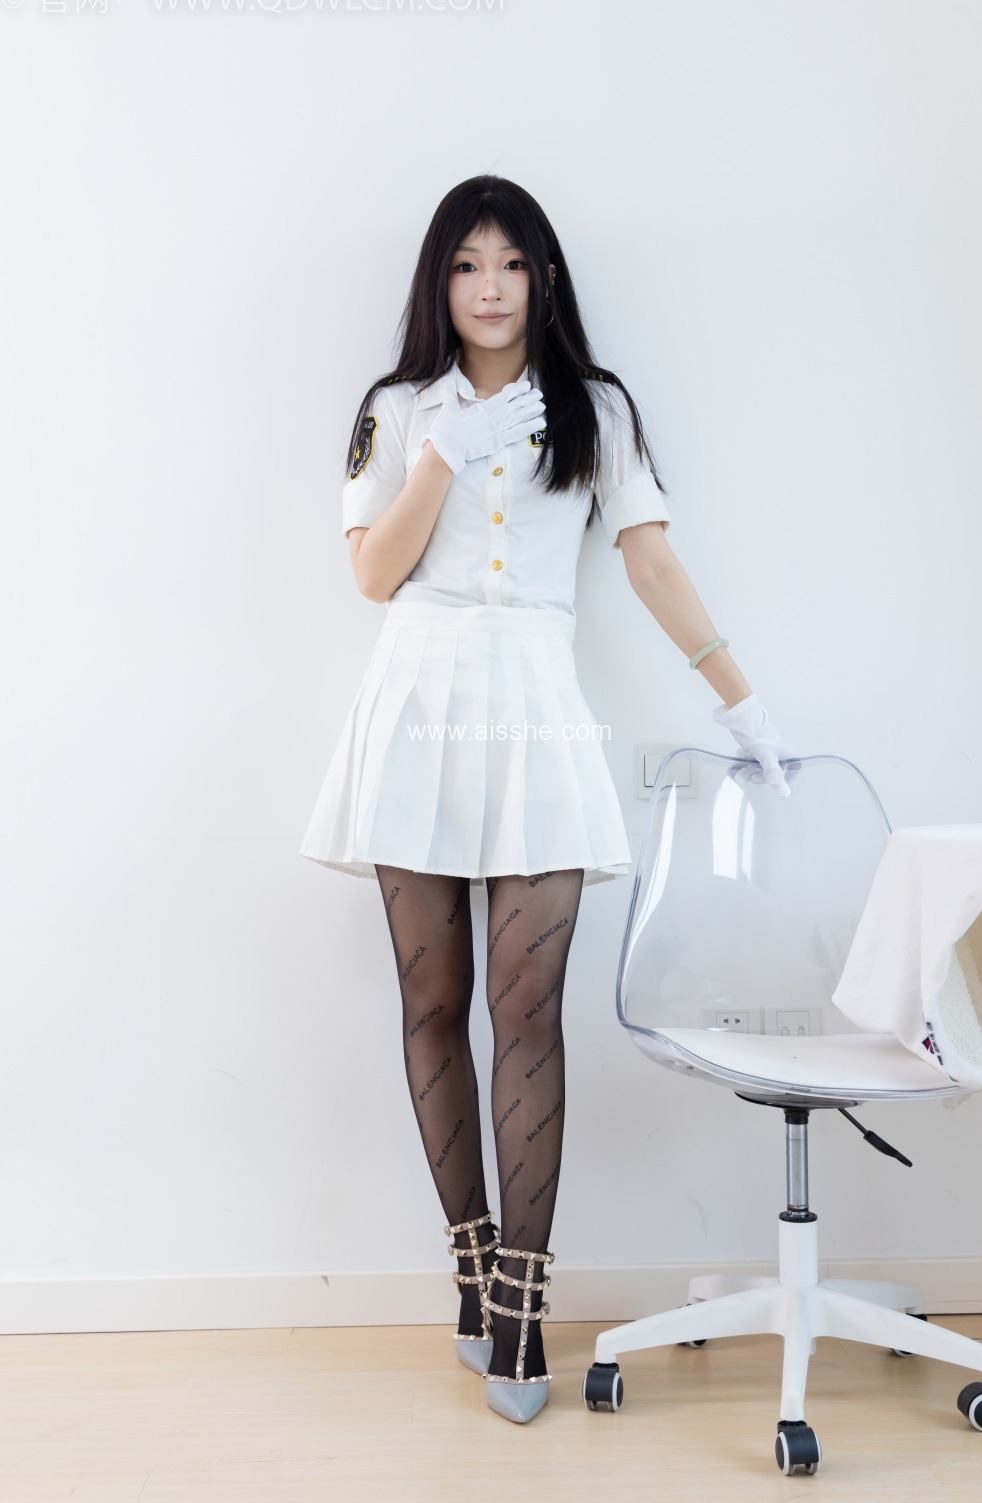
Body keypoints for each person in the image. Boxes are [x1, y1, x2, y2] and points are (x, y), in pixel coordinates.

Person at [300, 174, 797, 1424]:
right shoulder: (395, 407)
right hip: (418, 704)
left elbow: (650, 558)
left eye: (511, 263)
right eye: (467, 264)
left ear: (545, 278)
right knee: (433, 1001)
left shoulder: (597, 407)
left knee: (527, 1006)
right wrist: (442, 457)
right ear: (440, 280)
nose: (489, 287)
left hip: (533, 703)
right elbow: (371, 575)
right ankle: (471, 1266)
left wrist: (740, 701)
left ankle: (521, 1303)